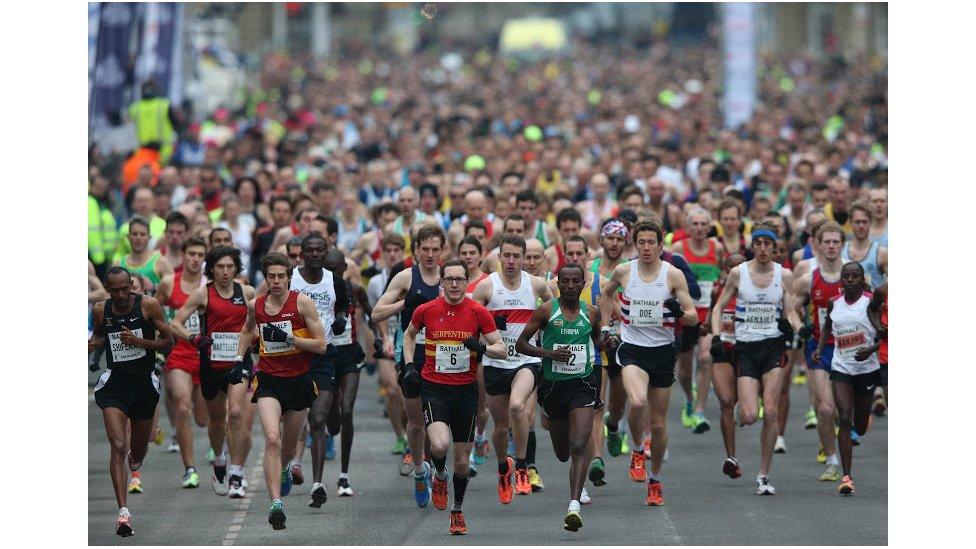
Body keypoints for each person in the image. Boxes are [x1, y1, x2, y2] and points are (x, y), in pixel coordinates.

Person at [402, 258, 507, 535]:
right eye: (449, 279)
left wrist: (480, 346)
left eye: (460, 279)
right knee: (438, 445)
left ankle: (457, 509)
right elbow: (409, 336)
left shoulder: (478, 312)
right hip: (434, 389)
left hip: (465, 393)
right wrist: (410, 365)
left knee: (462, 463)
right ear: (442, 282)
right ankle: (438, 474)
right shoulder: (426, 310)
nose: (455, 284)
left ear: (466, 280)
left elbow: (502, 349)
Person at [599, 220, 698, 506]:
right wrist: (606, 328)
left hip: (663, 352)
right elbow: (606, 295)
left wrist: (680, 311)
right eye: (640, 242)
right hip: (632, 348)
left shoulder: (673, 275)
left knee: (658, 423)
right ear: (635, 244)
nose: (645, 248)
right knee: (638, 402)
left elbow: (693, 316)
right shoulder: (624, 271)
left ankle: (655, 481)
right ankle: (638, 449)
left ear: (660, 245)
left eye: (650, 242)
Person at [235, 252, 327, 530]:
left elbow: (321, 345)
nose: (276, 281)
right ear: (265, 278)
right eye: (271, 276)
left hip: (298, 381)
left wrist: (288, 338)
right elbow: (245, 331)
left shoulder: (302, 304)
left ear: (289, 278)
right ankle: (276, 503)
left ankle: (286, 468)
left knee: (288, 446)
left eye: (280, 277)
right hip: (268, 380)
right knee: (272, 439)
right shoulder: (256, 305)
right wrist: (238, 361)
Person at [710, 222, 800, 495]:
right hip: (746, 348)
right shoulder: (738, 274)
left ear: (774, 247)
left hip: (773, 347)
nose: (763, 248)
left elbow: (791, 311)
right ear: (753, 245)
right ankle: (745, 409)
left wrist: (795, 326)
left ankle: (763, 475)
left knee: (770, 411)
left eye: (768, 244)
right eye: (758, 243)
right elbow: (718, 308)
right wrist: (716, 336)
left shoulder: (784, 275)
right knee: (750, 416)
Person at [516, 263, 604, 532]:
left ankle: (574, 506)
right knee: (563, 452)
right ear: (558, 283)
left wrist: (607, 344)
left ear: (583, 283)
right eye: (564, 281)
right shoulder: (546, 311)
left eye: (575, 281)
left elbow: (596, 342)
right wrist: (549, 354)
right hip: (553, 388)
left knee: (579, 444)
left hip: (583, 385)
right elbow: (521, 344)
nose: (570, 286)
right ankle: (572, 484)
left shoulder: (592, 313)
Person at [89, 266, 174, 536]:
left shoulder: (148, 306)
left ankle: (135, 460)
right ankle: (123, 513)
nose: (122, 294)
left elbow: (168, 341)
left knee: (136, 453)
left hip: (143, 385)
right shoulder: (102, 309)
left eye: (126, 288)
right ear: (108, 289)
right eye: (115, 290)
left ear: (132, 285)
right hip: (115, 384)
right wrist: (94, 342)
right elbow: (101, 334)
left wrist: (139, 342)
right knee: (117, 444)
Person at [171, 246, 256, 498]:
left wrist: (255, 338)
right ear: (212, 269)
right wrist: (194, 338)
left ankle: (237, 473)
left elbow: (256, 322)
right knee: (217, 422)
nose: (225, 272)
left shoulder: (247, 292)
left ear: (236, 268)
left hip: (238, 362)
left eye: (230, 266)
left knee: (237, 413)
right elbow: (175, 323)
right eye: (220, 267)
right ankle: (219, 459)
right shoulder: (202, 294)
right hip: (211, 365)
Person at [471, 235, 552, 502]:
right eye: (507, 255)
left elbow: (554, 312)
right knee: (500, 425)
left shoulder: (537, 285)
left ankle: (520, 466)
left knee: (518, 407)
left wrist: (547, 342)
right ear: (499, 257)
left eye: (517, 256)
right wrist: (480, 340)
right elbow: (471, 320)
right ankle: (502, 469)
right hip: (496, 363)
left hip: (527, 361)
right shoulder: (486, 288)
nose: (511, 261)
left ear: (523, 258)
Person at [372, 224, 447, 506]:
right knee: (416, 421)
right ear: (415, 250)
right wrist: (405, 304)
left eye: (435, 249)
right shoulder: (406, 277)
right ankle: (419, 470)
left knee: (438, 422)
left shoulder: (448, 278)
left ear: (441, 250)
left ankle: (435, 466)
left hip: (443, 359)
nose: (429, 254)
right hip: (412, 358)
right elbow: (377, 311)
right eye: (424, 249)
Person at [287, 238, 348, 508]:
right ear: (301, 254)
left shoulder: (334, 280)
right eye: (309, 250)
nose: (314, 254)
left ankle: (318, 484)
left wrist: (340, 320)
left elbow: (343, 307)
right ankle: (287, 466)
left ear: (326, 253)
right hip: (294, 355)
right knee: (292, 419)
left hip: (324, 356)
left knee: (318, 418)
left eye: (319, 250)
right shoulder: (290, 278)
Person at [813, 262, 881, 496]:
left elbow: (885, 334)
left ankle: (865, 416)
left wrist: (871, 350)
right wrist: (820, 349)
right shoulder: (834, 303)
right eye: (846, 276)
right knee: (843, 417)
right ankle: (847, 476)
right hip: (841, 366)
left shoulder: (871, 302)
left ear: (862, 280)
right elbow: (826, 328)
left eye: (855, 276)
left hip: (867, 369)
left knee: (859, 428)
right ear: (841, 279)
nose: (850, 279)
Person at [155, 236, 209, 488]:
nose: (196, 259)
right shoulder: (168, 283)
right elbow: (153, 312)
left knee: (203, 418)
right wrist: (159, 339)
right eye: (192, 254)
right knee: (183, 407)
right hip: (179, 354)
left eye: (200, 255)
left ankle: (215, 447)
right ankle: (190, 469)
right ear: (183, 255)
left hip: (207, 355)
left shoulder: (210, 285)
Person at [793, 222, 846, 480]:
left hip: (849, 347)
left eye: (836, 242)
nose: (832, 246)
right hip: (819, 348)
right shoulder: (808, 278)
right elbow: (791, 307)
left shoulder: (854, 275)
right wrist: (797, 325)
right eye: (827, 242)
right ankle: (832, 460)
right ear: (819, 244)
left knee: (844, 412)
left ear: (842, 245)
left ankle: (842, 443)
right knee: (825, 409)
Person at [673, 208, 725, 433]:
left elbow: (722, 276)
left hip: (708, 316)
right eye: (695, 223)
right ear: (687, 227)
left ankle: (700, 411)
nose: (700, 228)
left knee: (705, 358)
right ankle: (689, 398)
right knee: (684, 372)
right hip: (686, 317)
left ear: (710, 226)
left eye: (704, 224)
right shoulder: (678, 250)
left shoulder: (717, 248)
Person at [324, 267, 371, 497]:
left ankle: (344, 475)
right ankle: (330, 428)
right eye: (328, 269)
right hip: (326, 357)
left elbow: (373, 315)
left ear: (343, 269)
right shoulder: (318, 292)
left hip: (350, 356)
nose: (332, 274)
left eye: (336, 270)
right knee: (332, 423)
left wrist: (381, 340)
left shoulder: (354, 290)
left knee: (347, 410)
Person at [365, 233, 409, 455]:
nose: (392, 255)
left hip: (407, 339)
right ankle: (400, 435)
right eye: (388, 251)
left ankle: (411, 431)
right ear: (382, 253)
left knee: (405, 393)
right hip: (387, 339)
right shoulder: (376, 282)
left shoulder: (409, 277)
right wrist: (383, 339)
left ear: (402, 253)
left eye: (396, 251)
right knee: (392, 390)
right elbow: (374, 314)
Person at [708, 252, 747, 478]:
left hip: (747, 351)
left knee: (743, 403)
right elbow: (711, 315)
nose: (734, 271)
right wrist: (712, 334)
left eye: (739, 267)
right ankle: (731, 457)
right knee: (725, 402)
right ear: (724, 270)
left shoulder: (754, 294)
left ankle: (748, 403)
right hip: (723, 350)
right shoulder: (718, 292)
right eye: (730, 267)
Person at [458, 236, 492, 477]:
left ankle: (480, 436)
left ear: (480, 256)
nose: (468, 256)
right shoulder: (452, 282)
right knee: (465, 407)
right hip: (457, 351)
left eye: (472, 252)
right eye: (464, 252)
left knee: (481, 405)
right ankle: (467, 455)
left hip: (480, 350)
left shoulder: (487, 282)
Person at [115, 216, 174, 293]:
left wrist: (153, 287)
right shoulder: (118, 264)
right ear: (128, 237)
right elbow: (109, 294)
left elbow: (173, 292)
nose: (138, 238)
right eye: (134, 234)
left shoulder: (161, 263)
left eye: (142, 234)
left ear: (149, 238)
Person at [841, 202, 888, 288]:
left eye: (864, 222)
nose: (861, 226)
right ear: (850, 223)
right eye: (857, 222)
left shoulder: (882, 253)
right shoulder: (841, 250)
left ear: (870, 223)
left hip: (873, 301)